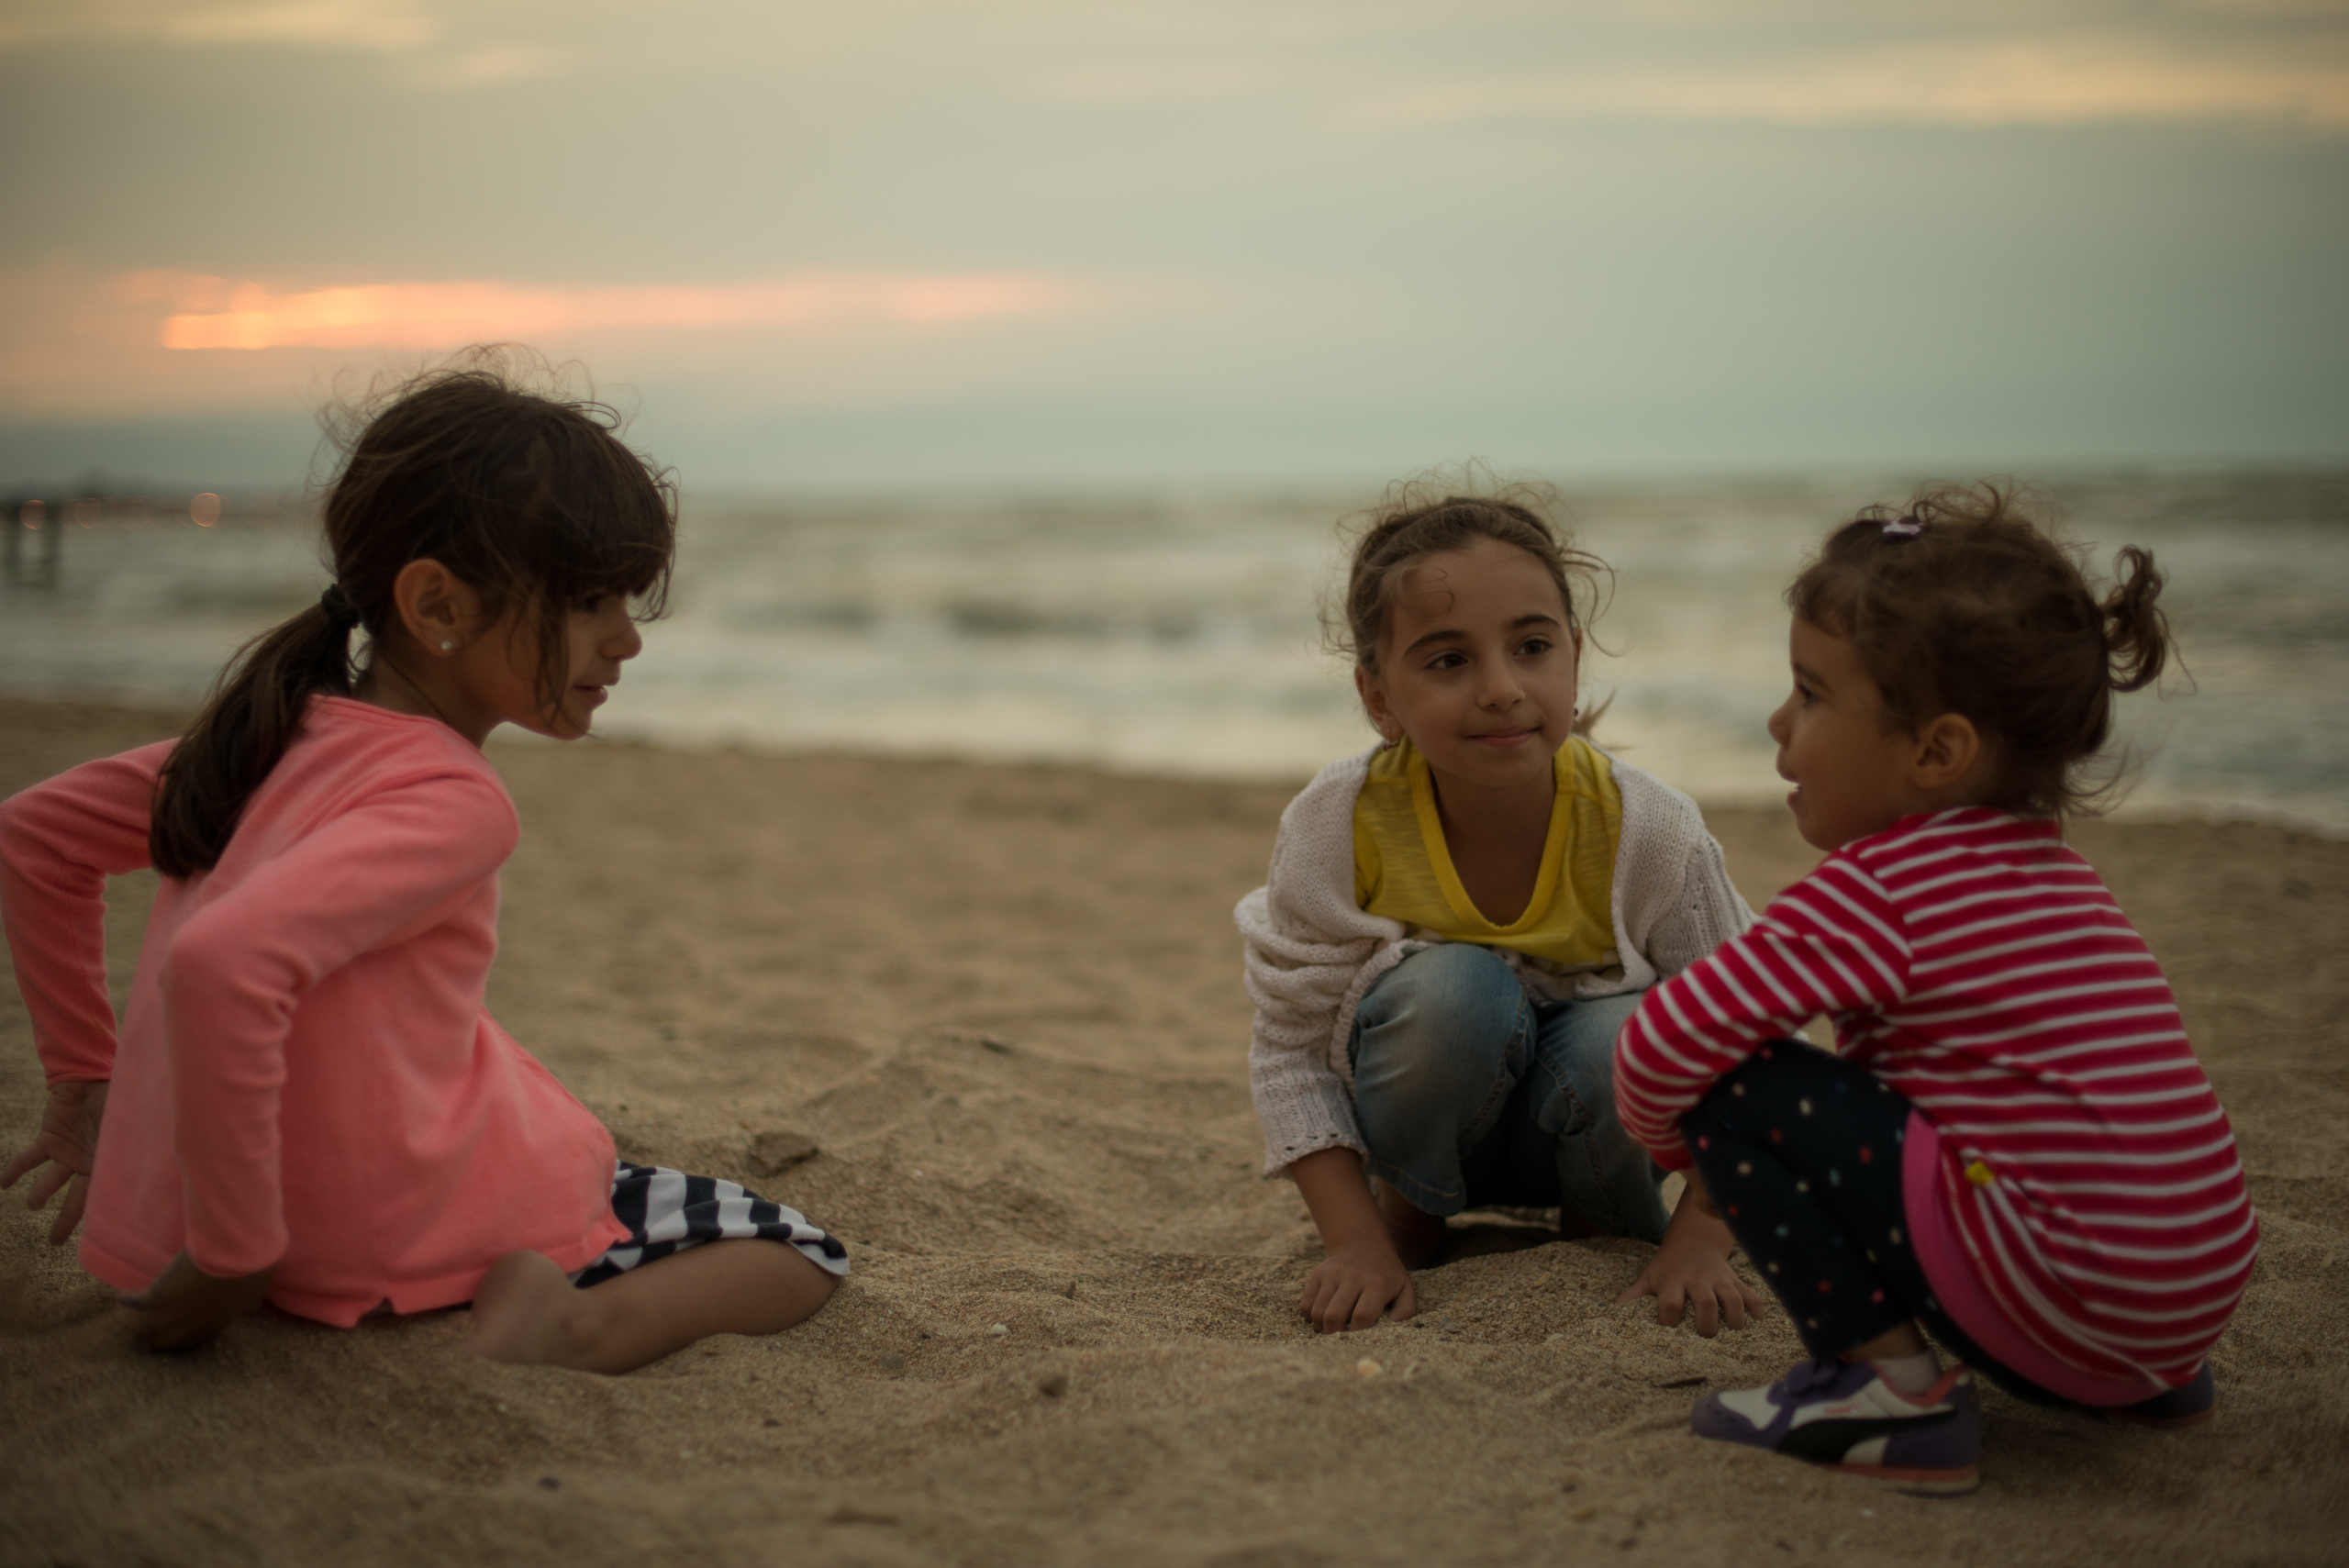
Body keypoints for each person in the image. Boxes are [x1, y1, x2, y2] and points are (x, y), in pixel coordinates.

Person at [0, 353, 847, 1373]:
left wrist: (84, 1084)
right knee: (797, 1249)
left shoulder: (258, 738)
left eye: (629, 599)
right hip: (354, 1234)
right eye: (587, 600)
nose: (626, 638)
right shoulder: (453, 798)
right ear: (437, 605)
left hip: (174, 1226)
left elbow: (30, 841)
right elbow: (223, 963)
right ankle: (574, 1325)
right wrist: (235, 1258)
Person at [1613, 484, 2259, 1495]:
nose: (1777, 718)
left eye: (1811, 692)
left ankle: (1883, 1389)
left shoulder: (1883, 887)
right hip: (2184, 1302)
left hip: (2062, 1296)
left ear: (1935, 751)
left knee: (1728, 1081)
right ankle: (2144, 1383)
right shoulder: (2064, 880)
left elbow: (1662, 1039)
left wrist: (1677, 1140)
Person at [1236, 482, 1764, 1335]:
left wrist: (1704, 1233)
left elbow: (1752, 1041)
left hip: (1595, 1133)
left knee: (1631, 1032)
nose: (1500, 687)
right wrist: (1354, 1240)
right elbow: (1289, 1047)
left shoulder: (1651, 829)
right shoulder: (1339, 821)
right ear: (1379, 698)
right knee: (1453, 989)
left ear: (1575, 656)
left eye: (1530, 646)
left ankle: (1602, 1228)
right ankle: (1412, 1217)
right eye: (1448, 660)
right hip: (1419, 1137)